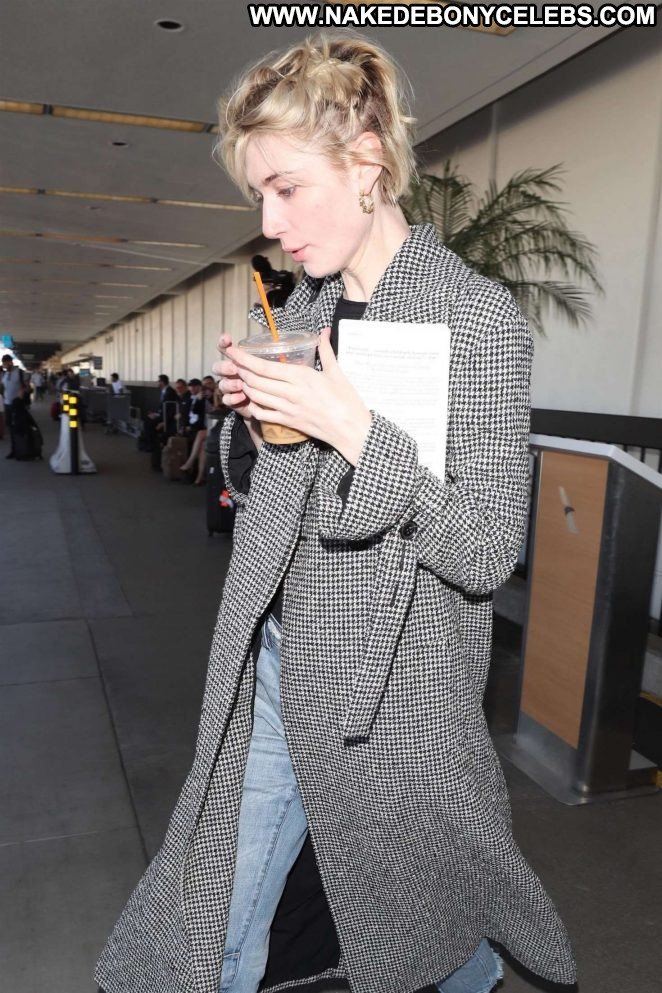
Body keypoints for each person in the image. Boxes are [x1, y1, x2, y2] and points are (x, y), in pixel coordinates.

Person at [97, 33, 576, 993]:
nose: (271, 223)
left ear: (365, 164)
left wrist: (355, 429)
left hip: (398, 694)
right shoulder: (302, 313)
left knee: (425, 912)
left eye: (286, 187)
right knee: (213, 916)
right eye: (258, 195)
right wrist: (254, 430)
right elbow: (266, 491)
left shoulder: (475, 321)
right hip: (278, 656)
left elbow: (486, 549)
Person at [141, 373, 177, 451]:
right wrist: (156, 414)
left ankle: (151, 445)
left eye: (159, 381)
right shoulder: (164, 391)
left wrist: (164, 421)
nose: (157, 383)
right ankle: (148, 443)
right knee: (147, 419)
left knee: (151, 423)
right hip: (162, 414)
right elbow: (162, 407)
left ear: (162, 382)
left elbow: (170, 409)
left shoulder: (170, 392)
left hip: (166, 417)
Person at [1, 354, 25, 458]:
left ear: (11, 362)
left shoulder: (20, 372)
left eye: (6, 363)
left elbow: (27, 387)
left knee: (19, 428)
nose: (4, 365)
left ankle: (22, 449)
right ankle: (14, 450)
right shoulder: (4, 374)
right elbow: (2, 388)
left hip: (17, 405)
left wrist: (21, 395)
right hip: (7, 404)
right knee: (11, 429)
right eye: (3, 364)